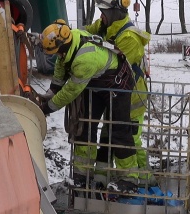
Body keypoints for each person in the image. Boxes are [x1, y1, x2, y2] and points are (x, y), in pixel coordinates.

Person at [39, 19, 139, 193]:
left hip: (118, 83)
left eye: (57, 52)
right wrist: (53, 89)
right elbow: (61, 65)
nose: (56, 55)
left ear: (63, 46)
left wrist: (47, 108)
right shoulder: (72, 39)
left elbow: (70, 91)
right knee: (85, 126)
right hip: (97, 82)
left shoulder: (84, 60)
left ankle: (129, 179)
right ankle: (81, 176)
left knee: (119, 130)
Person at [85, 0, 156, 186]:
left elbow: (112, 65)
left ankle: (144, 180)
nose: (101, 16)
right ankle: (103, 176)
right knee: (109, 136)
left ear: (115, 13)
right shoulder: (105, 26)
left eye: (104, 12)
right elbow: (86, 32)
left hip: (131, 100)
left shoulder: (129, 38)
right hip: (114, 98)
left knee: (130, 140)